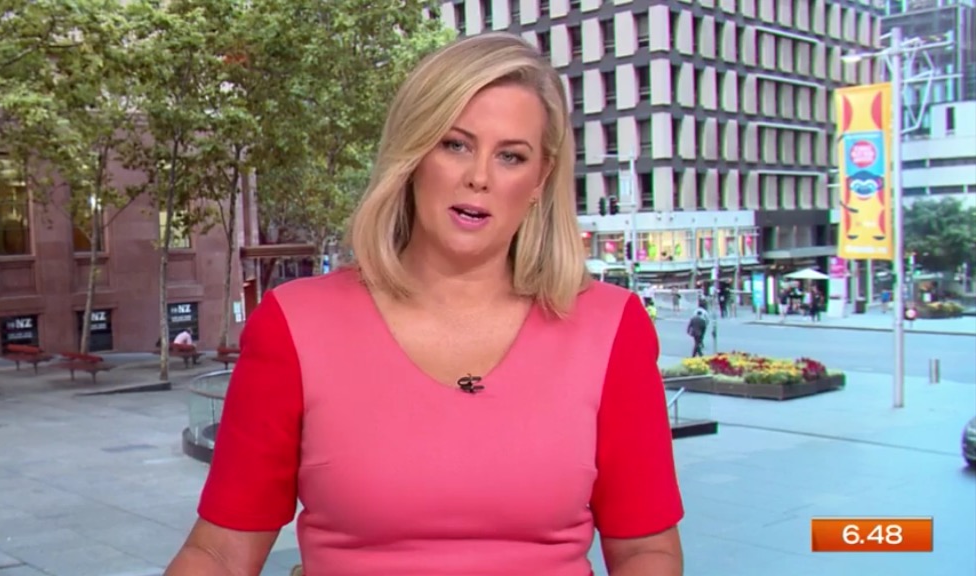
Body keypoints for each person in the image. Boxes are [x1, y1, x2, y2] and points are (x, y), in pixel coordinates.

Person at [166, 33, 683, 576]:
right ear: (413, 154)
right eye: (455, 145)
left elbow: (646, 552)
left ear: (540, 179)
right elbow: (220, 553)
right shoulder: (295, 325)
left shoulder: (611, 328)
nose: (478, 177)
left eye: (510, 156)